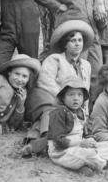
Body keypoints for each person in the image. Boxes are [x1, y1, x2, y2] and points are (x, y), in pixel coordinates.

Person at [34, 0, 103, 96]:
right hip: (74, 35)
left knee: (96, 73)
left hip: (92, 33)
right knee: (77, 73)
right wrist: (58, 6)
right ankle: (74, 111)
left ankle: (91, 112)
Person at [22, 20, 93, 155]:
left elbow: (85, 90)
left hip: (73, 102)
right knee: (55, 112)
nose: (77, 44)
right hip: (48, 98)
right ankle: (46, 139)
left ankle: (42, 143)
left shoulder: (86, 65)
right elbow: (45, 81)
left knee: (75, 122)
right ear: (65, 44)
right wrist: (63, 99)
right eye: (72, 41)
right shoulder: (55, 59)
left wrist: (84, 110)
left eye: (80, 40)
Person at [47, 76, 108, 176]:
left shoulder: (81, 112)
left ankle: (95, 162)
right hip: (62, 151)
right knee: (86, 154)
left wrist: (91, 141)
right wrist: (81, 143)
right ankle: (101, 163)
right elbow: (58, 141)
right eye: (71, 94)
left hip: (79, 146)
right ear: (63, 97)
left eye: (79, 95)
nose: (76, 98)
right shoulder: (58, 113)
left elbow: (86, 132)